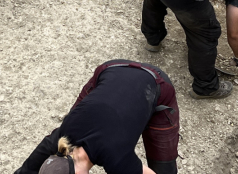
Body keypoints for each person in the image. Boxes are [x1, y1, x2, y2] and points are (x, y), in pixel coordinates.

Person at [15, 60, 180, 174]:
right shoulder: (64, 138)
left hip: (155, 83)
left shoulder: (117, 159)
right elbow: (32, 166)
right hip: (111, 68)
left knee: (163, 167)